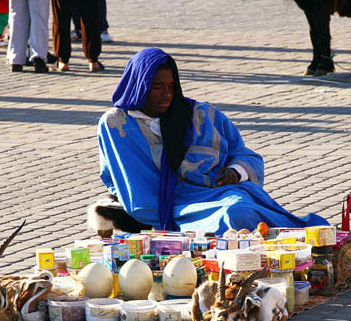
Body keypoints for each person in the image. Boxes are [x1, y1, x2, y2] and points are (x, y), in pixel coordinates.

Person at [97, 48, 328, 234]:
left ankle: (307, 236)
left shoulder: (201, 113)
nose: (167, 94)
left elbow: (245, 155)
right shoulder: (118, 125)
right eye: (157, 87)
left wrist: (236, 172)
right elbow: (136, 189)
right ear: (140, 86)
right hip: (175, 205)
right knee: (236, 214)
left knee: (243, 205)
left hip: (220, 193)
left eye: (171, 87)